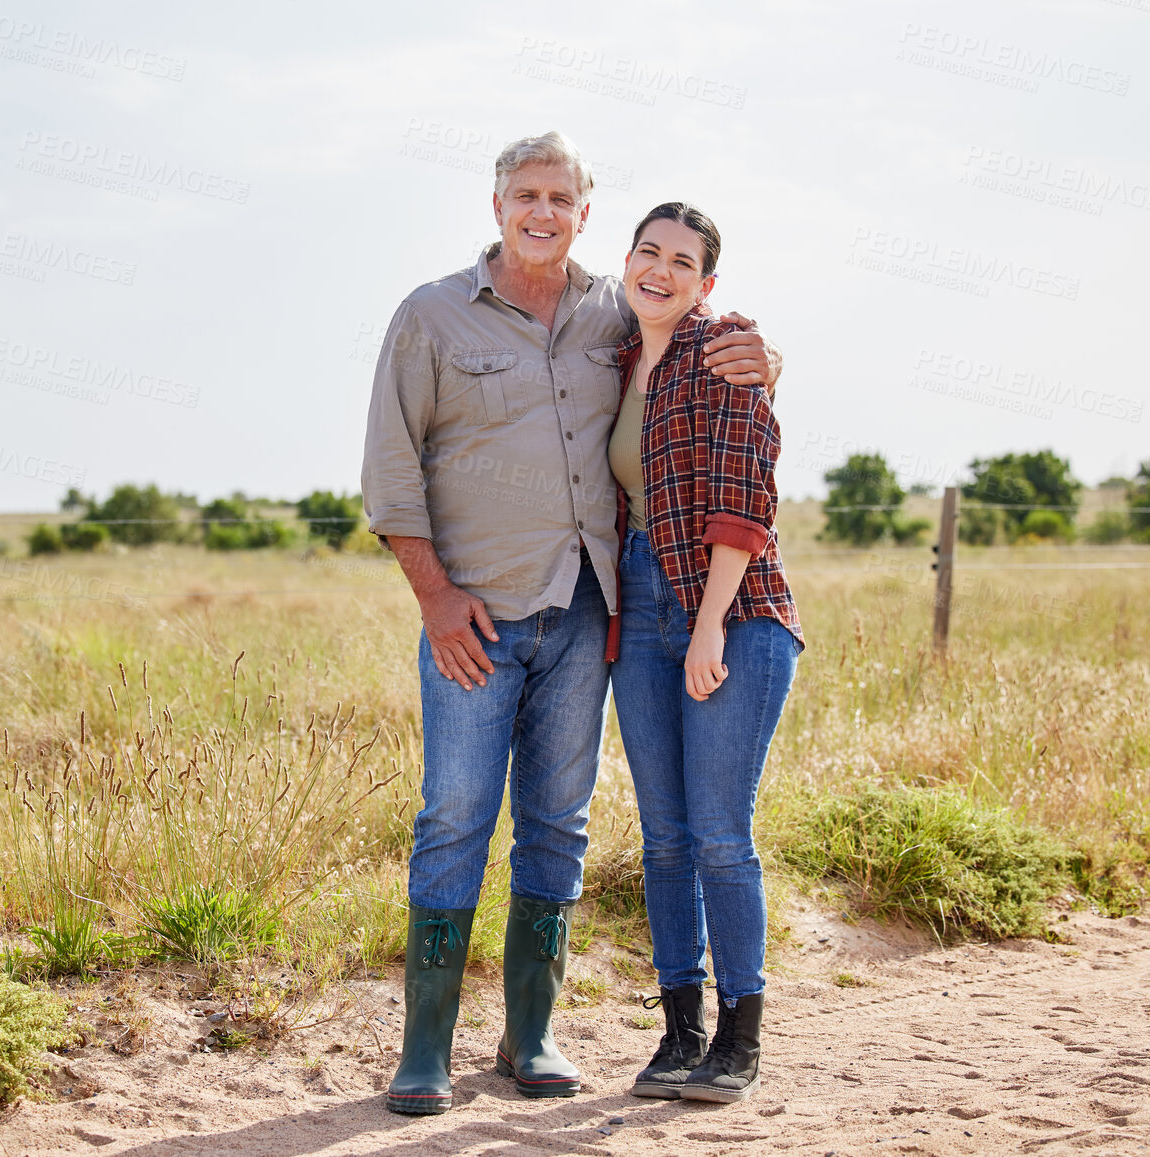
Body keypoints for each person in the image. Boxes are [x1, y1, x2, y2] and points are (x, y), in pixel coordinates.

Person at [360, 134, 781, 1115]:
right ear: (498, 202)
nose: (542, 211)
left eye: (561, 197)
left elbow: (709, 358)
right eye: (526, 195)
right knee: (455, 815)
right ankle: (424, 1049)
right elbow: (389, 468)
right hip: (475, 615)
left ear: (585, 214)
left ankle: (530, 1032)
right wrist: (432, 594)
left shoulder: (613, 312)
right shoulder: (430, 315)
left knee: (558, 821)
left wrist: (771, 355)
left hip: (591, 613)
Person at [604, 202, 804, 1103]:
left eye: (681, 260)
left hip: (731, 605)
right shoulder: (612, 358)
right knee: (664, 837)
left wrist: (711, 624)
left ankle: (740, 1037)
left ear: (707, 283)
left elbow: (745, 500)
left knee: (721, 834)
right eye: (647, 250)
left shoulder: (723, 352)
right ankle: (679, 1032)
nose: (659, 268)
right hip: (639, 607)